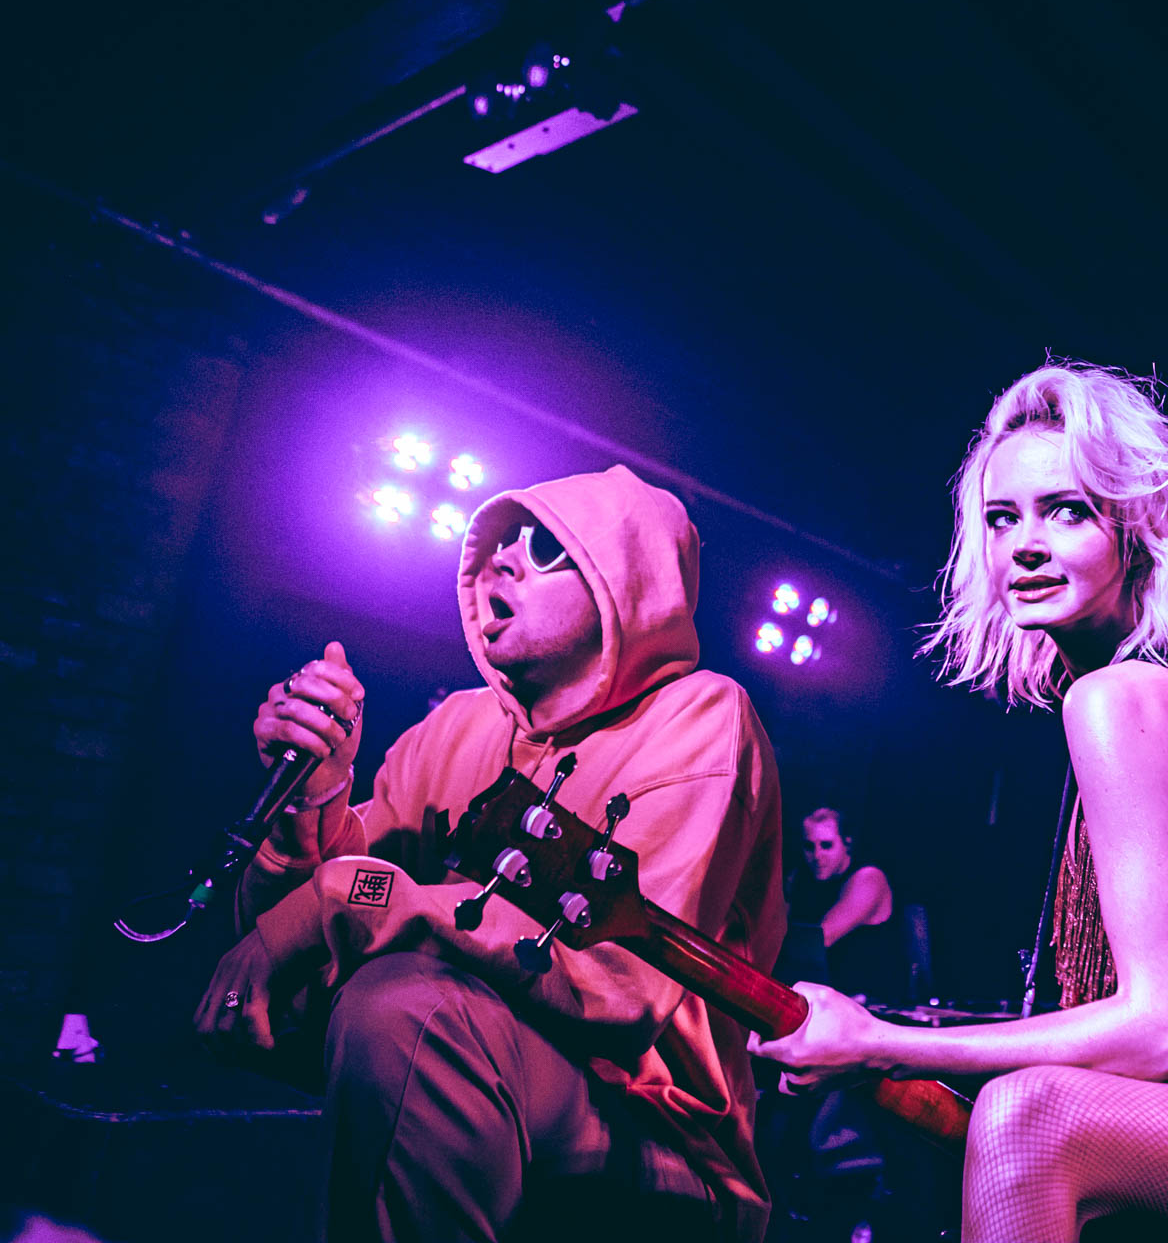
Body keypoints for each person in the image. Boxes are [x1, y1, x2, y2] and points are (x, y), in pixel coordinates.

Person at [751, 362, 1168, 1242]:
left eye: (1066, 511)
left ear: (1135, 530)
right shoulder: (1157, 685)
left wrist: (877, 1039)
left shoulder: (1122, 699)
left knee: (1027, 1117)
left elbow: (1160, 1036)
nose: (1025, 546)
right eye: (1002, 518)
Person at [194, 464, 785, 1242]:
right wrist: (313, 798)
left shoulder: (700, 717)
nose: (503, 557)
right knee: (358, 1009)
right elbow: (283, 962)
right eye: (503, 541)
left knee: (411, 1010)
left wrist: (346, 898)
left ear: (626, 580)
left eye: (544, 546)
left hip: (656, 1137)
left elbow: (619, 989)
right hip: (477, 1087)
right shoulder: (458, 725)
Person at [780, 807, 904, 1006]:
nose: (817, 855)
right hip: (826, 1001)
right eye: (809, 847)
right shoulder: (801, 878)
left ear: (847, 843)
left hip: (870, 1003)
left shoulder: (868, 878)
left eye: (827, 845)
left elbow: (819, 939)